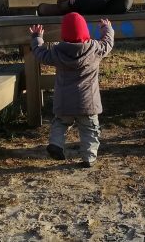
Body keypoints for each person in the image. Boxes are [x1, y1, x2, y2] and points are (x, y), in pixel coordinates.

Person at [29, 12, 114, 167]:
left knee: (60, 123)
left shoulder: (57, 52)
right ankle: (88, 157)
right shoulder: (95, 49)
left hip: (64, 102)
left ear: (63, 34)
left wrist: (37, 38)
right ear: (86, 32)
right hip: (88, 103)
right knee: (90, 129)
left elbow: (40, 53)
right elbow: (108, 42)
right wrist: (106, 28)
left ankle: (56, 144)